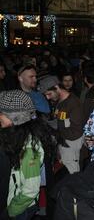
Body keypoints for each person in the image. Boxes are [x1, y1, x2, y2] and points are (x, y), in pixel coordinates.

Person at [0, 90, 53, 220]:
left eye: (1, 113)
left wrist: (10, 212)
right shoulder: (14, 135)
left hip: (20, 208)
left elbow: (30, 190)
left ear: (14, 118)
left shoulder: (29, 148)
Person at [39, 75, 85, 174]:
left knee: (73, 176)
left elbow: (76, 132)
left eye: (49, 94)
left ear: (56, 87)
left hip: (70, 146)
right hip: (64, 145)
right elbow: (61, 121)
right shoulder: (60, 101)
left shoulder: (73, 103)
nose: (47, 97)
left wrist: (58, 133)